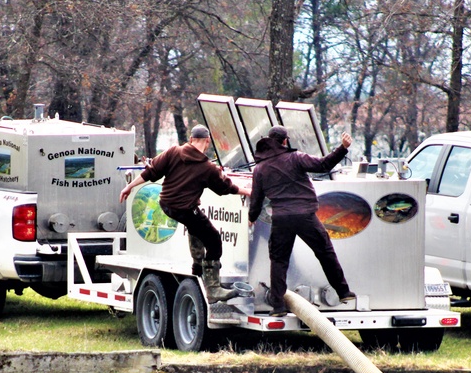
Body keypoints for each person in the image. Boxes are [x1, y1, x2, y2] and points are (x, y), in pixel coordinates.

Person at [120, 124, 251, 303]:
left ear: (190, 140)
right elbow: (225, 188)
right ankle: (213, 289)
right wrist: (247, 191)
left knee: (197, 226)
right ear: (207, 142)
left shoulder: (173, 151)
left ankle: (197, 267)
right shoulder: (208, 168)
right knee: (213, 240)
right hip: (185, 210)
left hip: (166, 204)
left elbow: (151, 172)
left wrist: (128, 187)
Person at [248, 125, 355, 317]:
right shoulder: (296, 158)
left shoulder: (260, 168)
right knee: (325, 252)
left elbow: (256, 199)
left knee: (279, 261)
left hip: (281, 218)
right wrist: (343, 148)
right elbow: (323, 165)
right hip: (305, 216)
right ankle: (343, 292)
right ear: (284, 141)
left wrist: (251, 218)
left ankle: (278, 307)